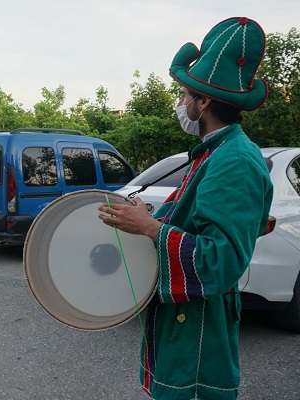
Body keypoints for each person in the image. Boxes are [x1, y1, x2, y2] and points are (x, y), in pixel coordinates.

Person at [97, 17, 273, 399]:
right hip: (188, 321)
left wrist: (150, 229)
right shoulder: (217, 152)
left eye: (183, 95)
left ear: (203, 101)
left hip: (200, 330)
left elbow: (221, 261)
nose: (180, 104)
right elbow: (200, 224)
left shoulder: (235, 160)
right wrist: (147, 217)